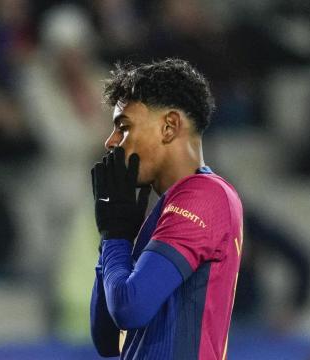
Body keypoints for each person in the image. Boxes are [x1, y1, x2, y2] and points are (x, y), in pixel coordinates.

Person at [89, 59, 244, 359]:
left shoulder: (204, 196)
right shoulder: (163, 212)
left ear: (169, 126)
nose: (110, 142)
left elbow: (130, 308)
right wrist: (112, 233)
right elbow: (107, 339)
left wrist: (116, 238)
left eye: (124, 127)